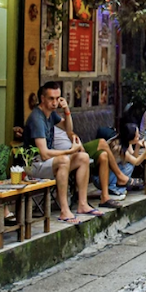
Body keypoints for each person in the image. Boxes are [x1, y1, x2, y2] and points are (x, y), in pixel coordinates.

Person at [23, 82, 98, 223]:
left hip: (47, 163)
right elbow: (44, 153)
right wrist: (70, 151)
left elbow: (68, 129)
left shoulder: (51, 114)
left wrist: (67, 111)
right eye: (51, 98)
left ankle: (82, 204)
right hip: (33, 165)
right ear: (42, 98)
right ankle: (64, 210)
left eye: (58, 98)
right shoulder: (37, 118)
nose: (55, 102)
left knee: (83, 157)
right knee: (64, 160)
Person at [51, 126, 126, 209]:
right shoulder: (47, 120)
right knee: (102, 142)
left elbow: (70, 130)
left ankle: (105, 197)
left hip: (76, 148)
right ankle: (120, 176)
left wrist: (76, 139)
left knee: (103, 155)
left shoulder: (58, 118)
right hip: (66, 153)